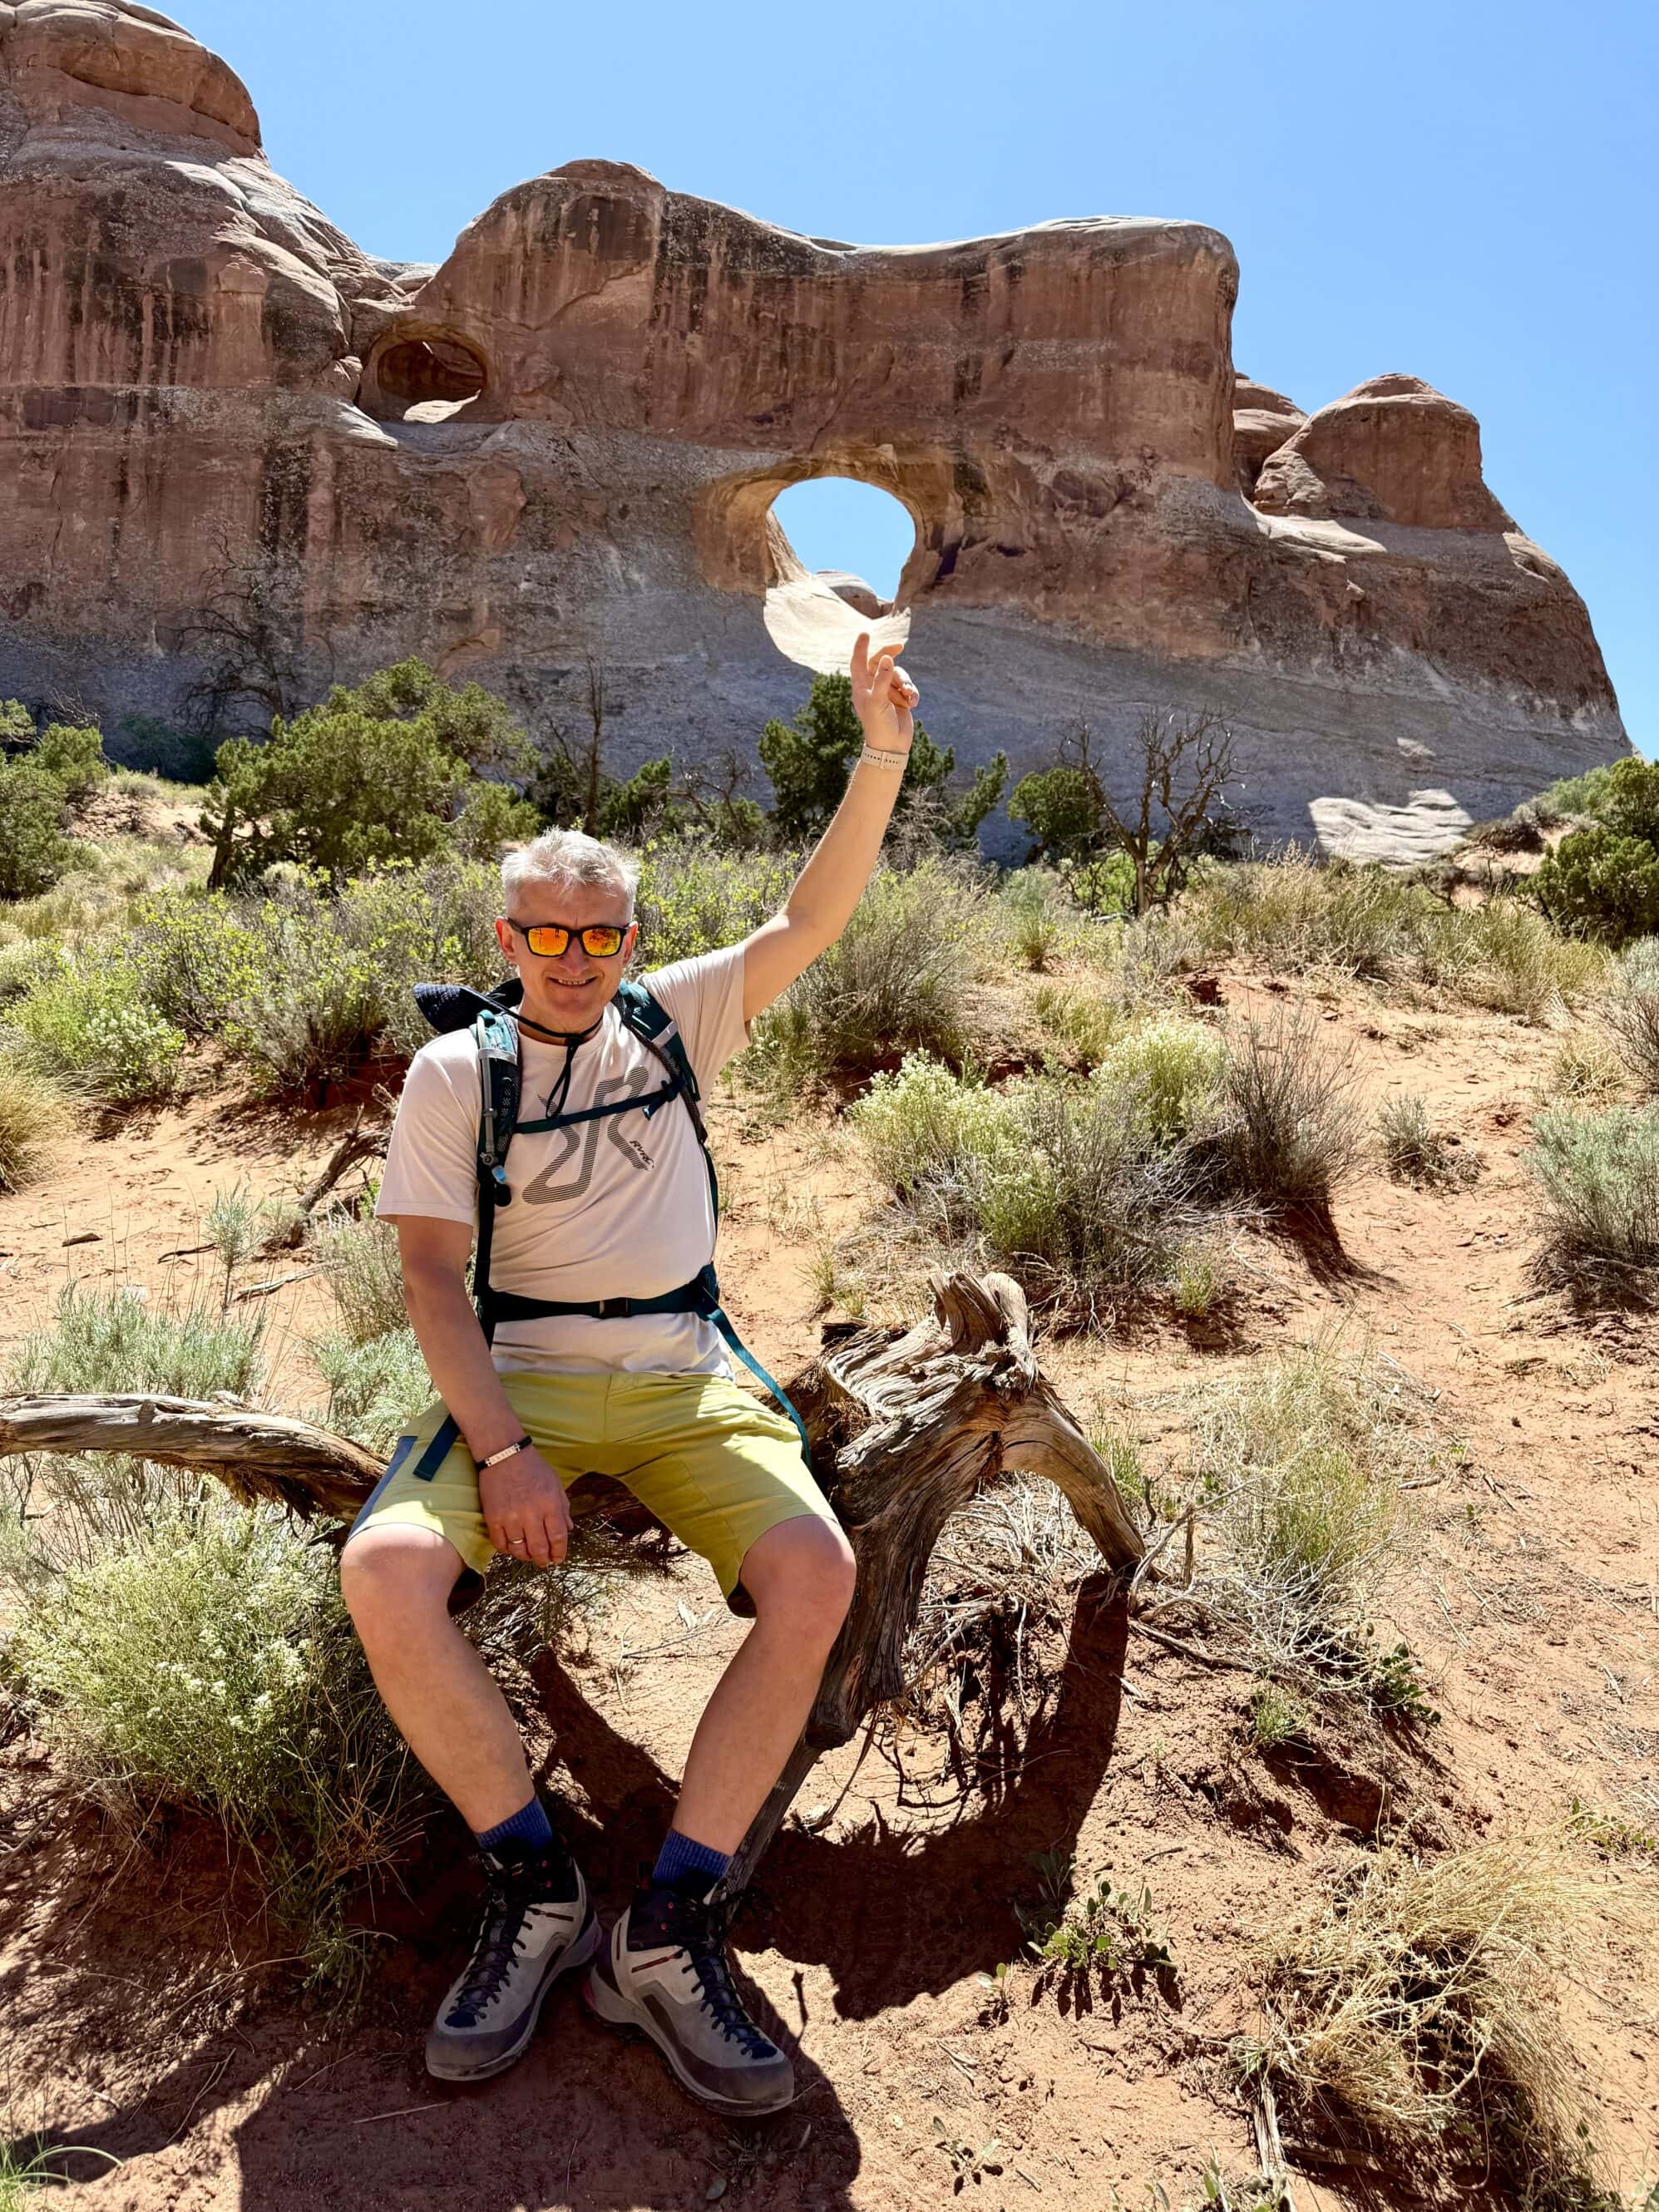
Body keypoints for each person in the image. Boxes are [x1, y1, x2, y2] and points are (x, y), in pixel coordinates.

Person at [340, 633, 921, 2115]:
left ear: (627, 940)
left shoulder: (676, 1020)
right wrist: (507, 1449)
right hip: (519, 1378)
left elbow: (811, 916)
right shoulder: (455, 1077)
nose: (577, 960)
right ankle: (530, 1890)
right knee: (388, 1576)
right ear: (504, 937)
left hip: (681, 1372)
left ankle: (665, 1934)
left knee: (816, 1574)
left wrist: (882, 754)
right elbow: (427, 1279)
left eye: (602, 937)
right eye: (548, 935)